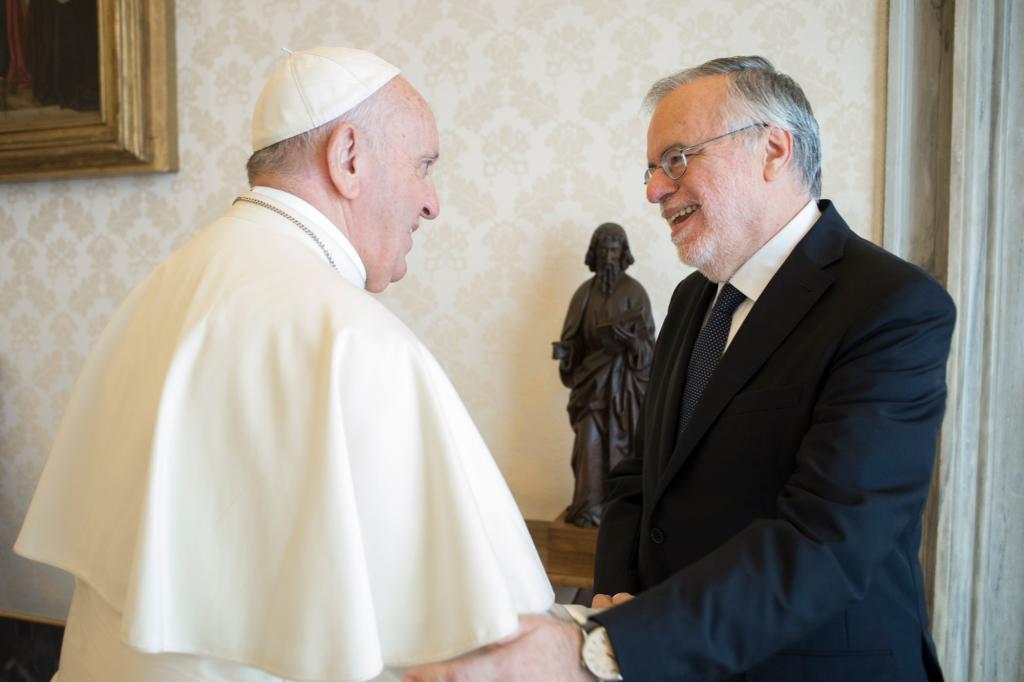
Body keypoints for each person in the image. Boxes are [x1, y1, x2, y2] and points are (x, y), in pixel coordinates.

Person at [404, 56, 955, 682]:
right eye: (652, 169)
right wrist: (617, 606)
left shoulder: (891, 304)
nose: (653, 191)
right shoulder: (693, 299)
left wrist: (607, 648)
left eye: (677, 159)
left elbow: (829, 541)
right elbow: (640, 478)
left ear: (773, 150)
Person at [14, 47, 553, 682]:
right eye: (423, 167)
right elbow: (486, 646)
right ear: (348, 157)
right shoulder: (355, 340)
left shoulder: (170, 281)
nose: (432, 203)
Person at [552, 223, 655, 527]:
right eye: (603, 250)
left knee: (624, 450)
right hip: (591, 388)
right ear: (594, 254)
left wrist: (631, 342)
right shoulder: (583, 295)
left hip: (625, 389)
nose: (609, 256)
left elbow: (649, 348)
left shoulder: (635, 293)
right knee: (589, 446)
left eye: (614, 250)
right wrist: (565, 353)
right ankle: (588, 508)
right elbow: (572, 340)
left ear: (623, 254)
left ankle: (622, 513)